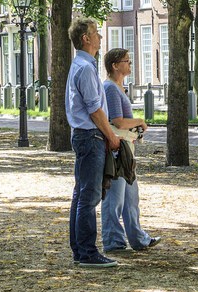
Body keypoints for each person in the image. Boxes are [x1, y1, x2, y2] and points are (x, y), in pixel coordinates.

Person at [66, 18, 121, 269]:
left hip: (83, 135)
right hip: (90, 136)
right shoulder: (86, 68)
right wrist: (111, 136)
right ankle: (87, 252)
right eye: (96, 33)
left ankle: (79, 249)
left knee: (81, 195)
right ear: (86, 39)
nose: (100, 37)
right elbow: (94, 110)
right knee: (88, 197)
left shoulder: (80, 64)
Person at [100, 48, 160, 254]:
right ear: (115, 66)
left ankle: (138, 238)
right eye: (127, 61)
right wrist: (140, 121)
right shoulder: (110, 89)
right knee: (115, 198)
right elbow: (117, 120)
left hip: (126, 147)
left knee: (130, 197)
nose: (130, 64)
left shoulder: (118, 88)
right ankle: (113, 241)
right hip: (118, 150)